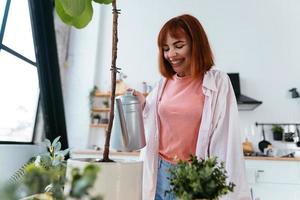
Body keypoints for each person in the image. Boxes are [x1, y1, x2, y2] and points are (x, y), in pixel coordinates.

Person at [132, 14, 251, 200]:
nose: (171, 54)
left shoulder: (217, 81)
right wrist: (142, 103)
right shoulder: (164, 83)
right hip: (159, 172)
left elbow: (226, 138)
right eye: (166, 48)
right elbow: (154, 120)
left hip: (193, 177)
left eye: (179, 46)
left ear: (197, 44)